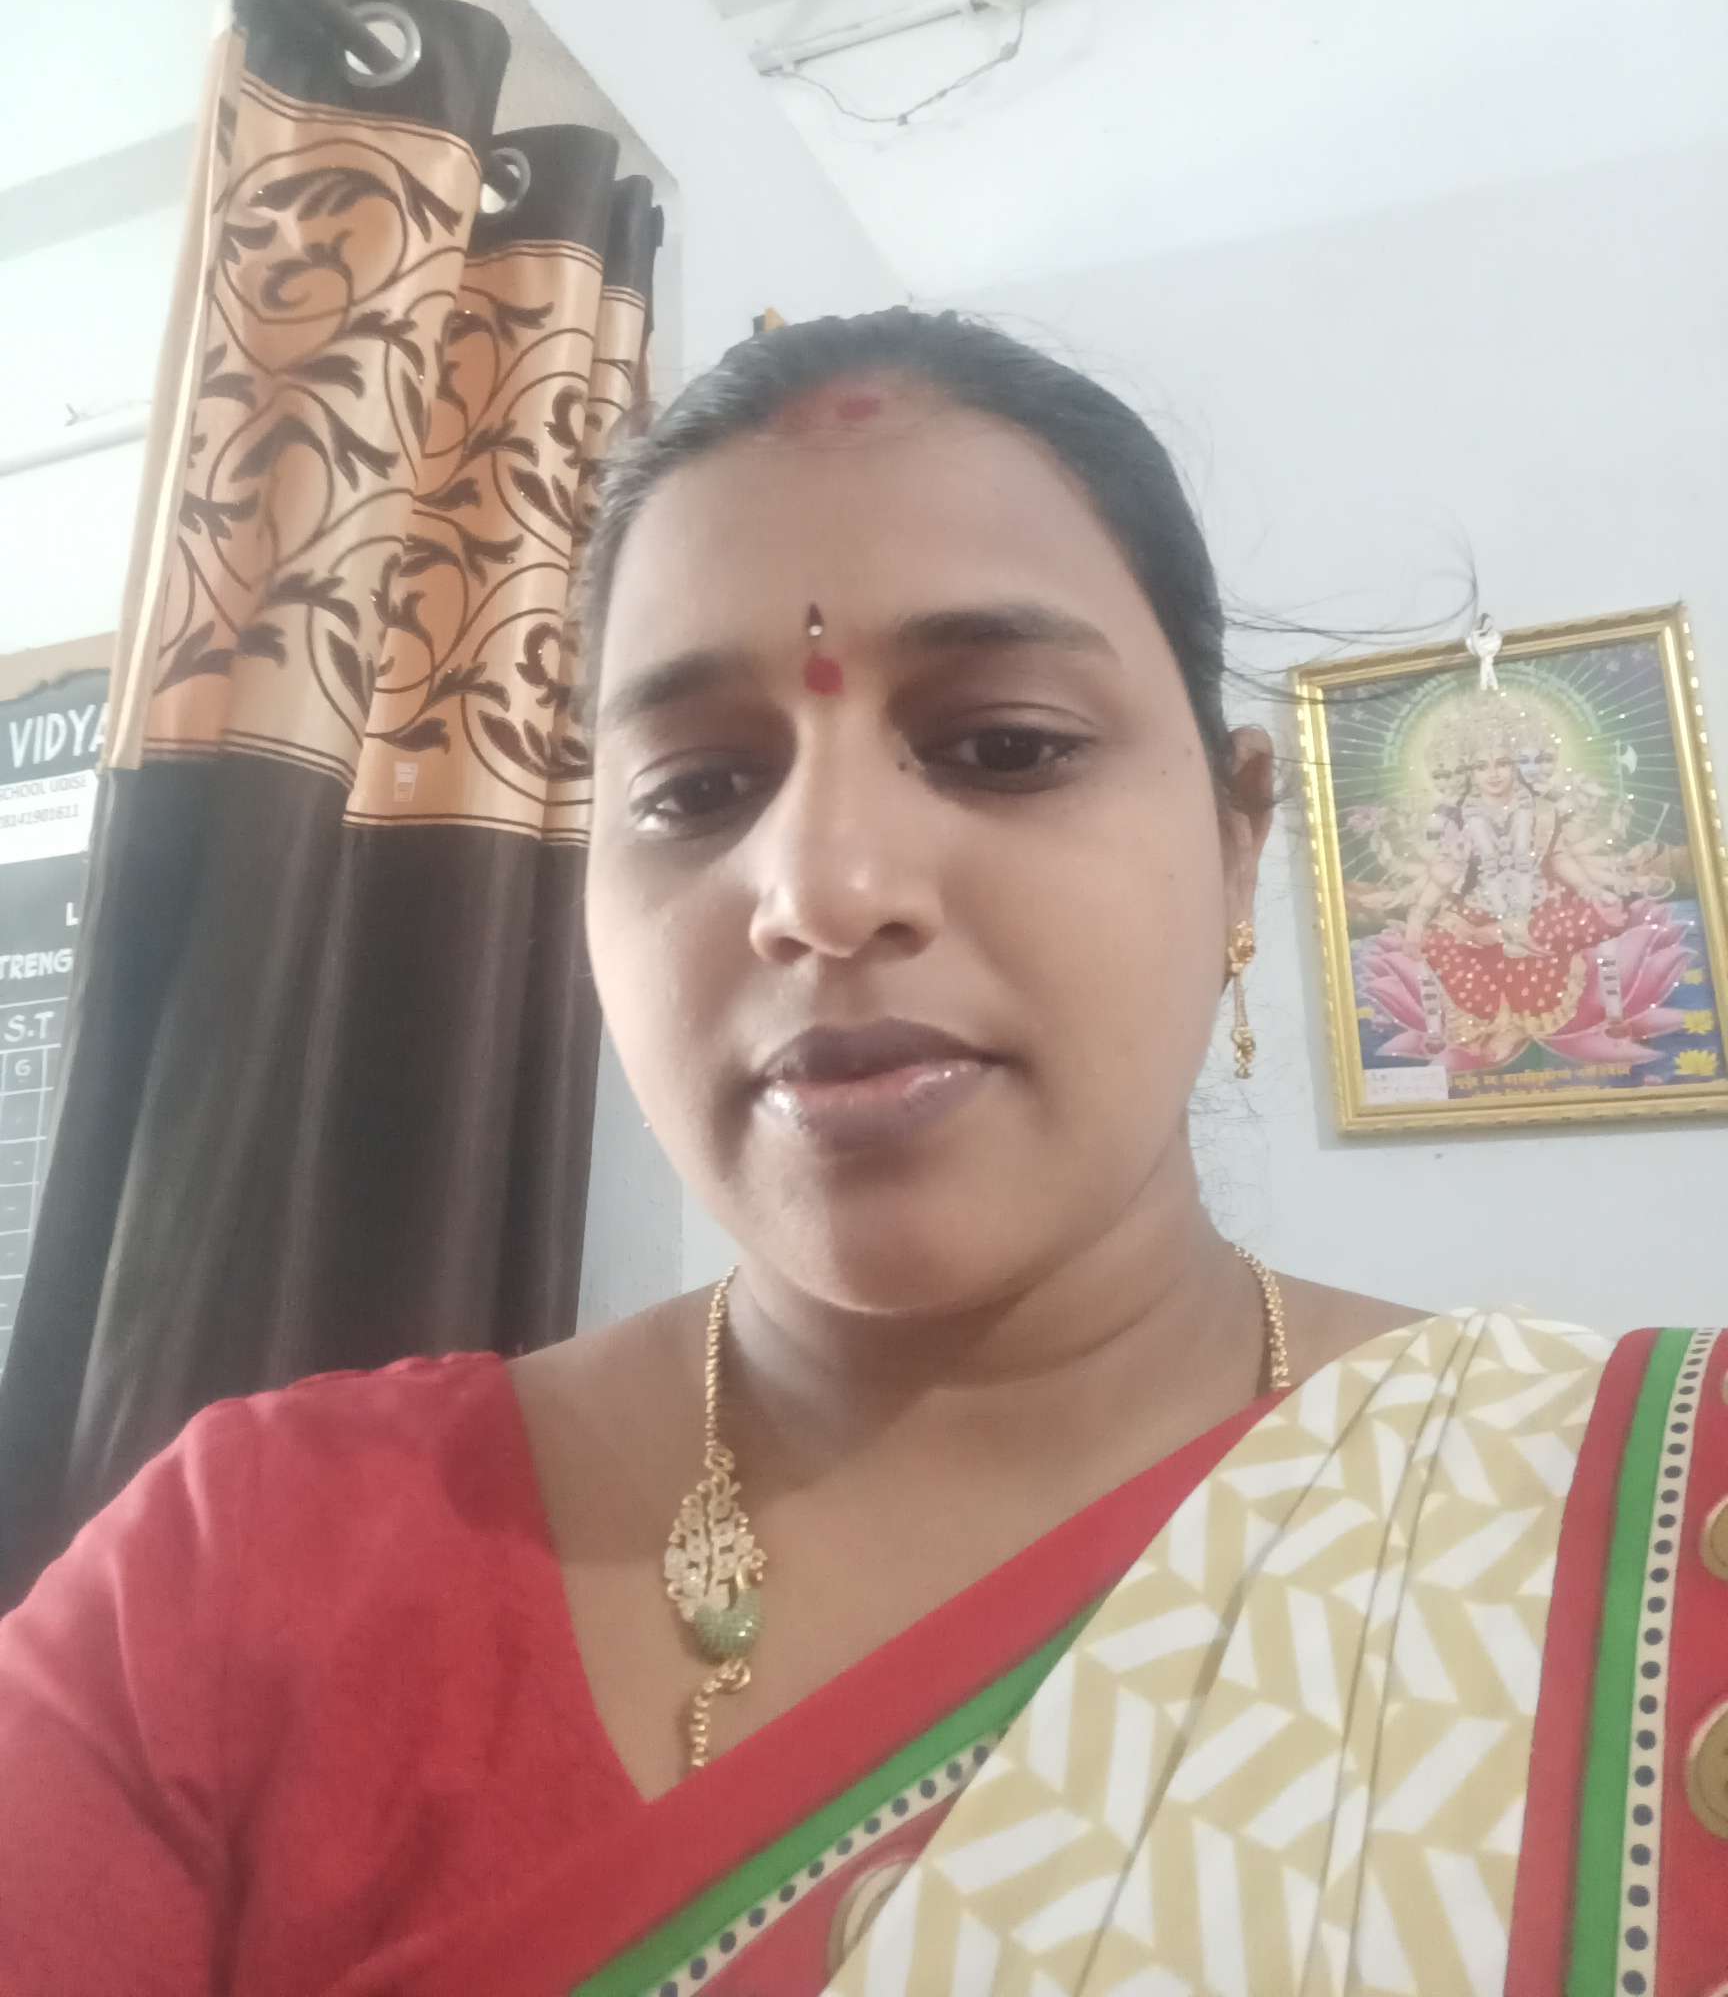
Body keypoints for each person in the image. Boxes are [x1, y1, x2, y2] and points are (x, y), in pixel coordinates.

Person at [0, 310, 1721, 1995]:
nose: (820, 890)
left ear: (1237, 836)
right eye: (694, 790)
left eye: (1003, 747)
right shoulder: (236, 1582)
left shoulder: (1661, 1533)